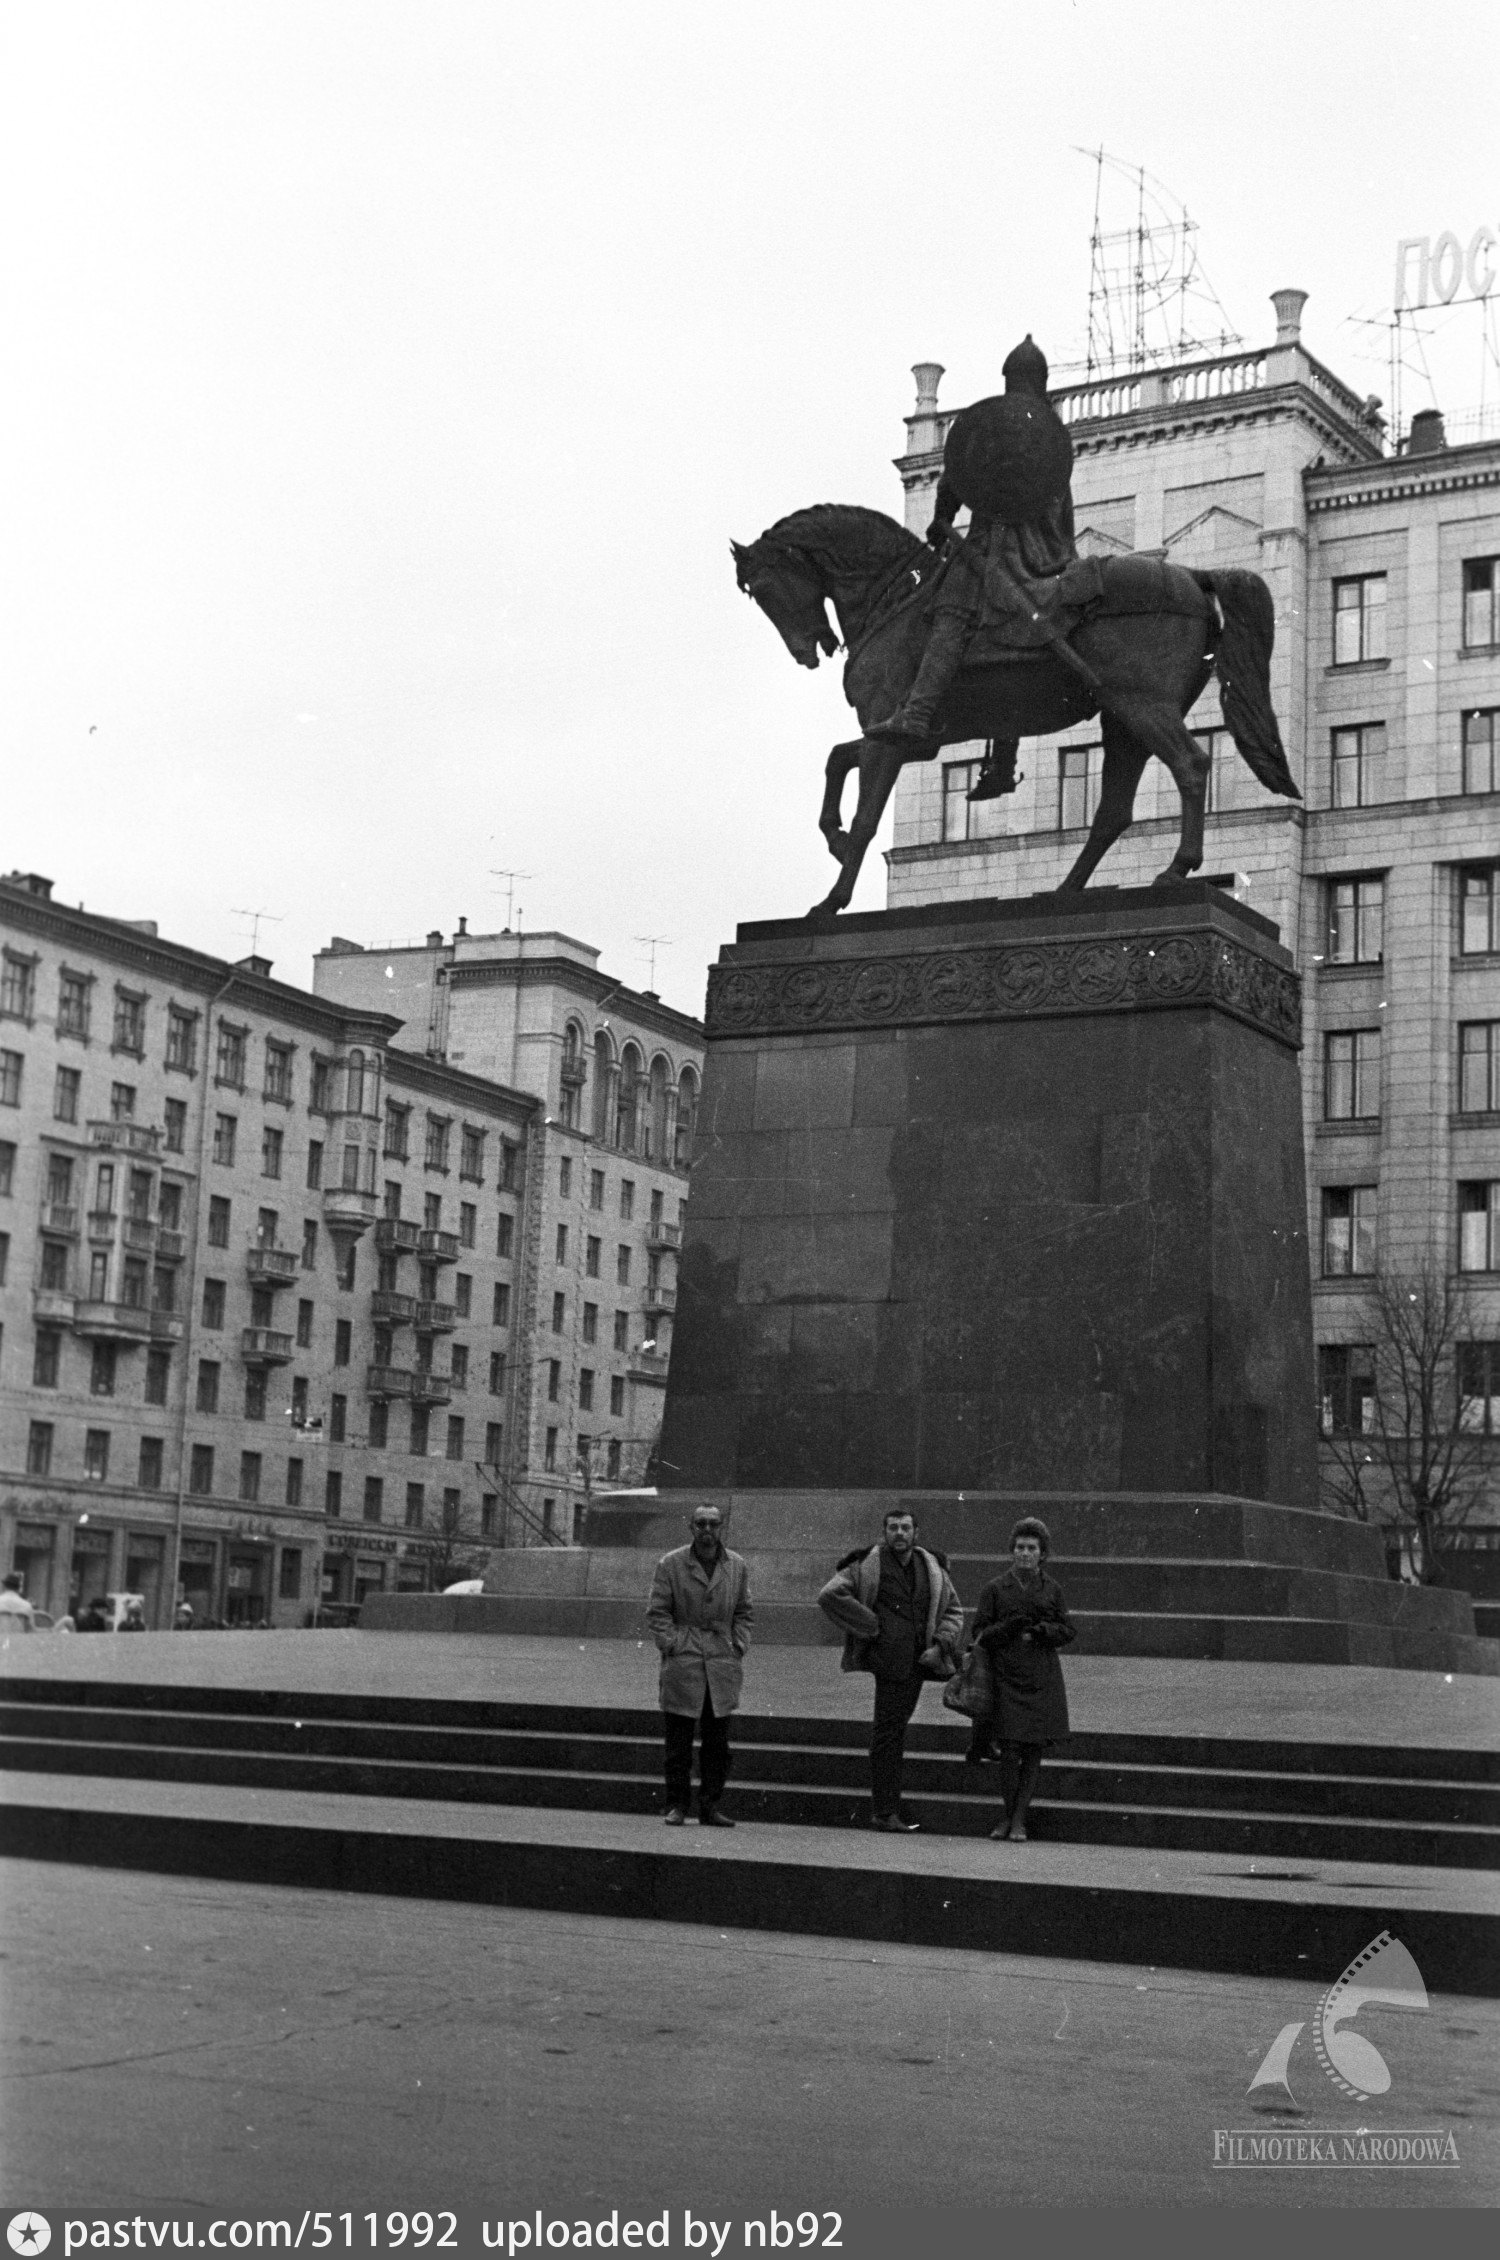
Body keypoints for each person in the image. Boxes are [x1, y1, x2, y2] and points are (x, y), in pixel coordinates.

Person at [870, 334, 1082, 793]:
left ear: (1008, 382)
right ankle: (1003, 761)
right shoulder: (1046, 433)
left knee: (951, 608)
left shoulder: (998, 430)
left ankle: (919, 711)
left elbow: (955, 481)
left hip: (1003, 550)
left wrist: (941, 521)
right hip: (1051, 554)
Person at [818, 1510, 964, 1832]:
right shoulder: (867, 1565)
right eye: (893, 1528)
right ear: (884, 1531)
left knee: (892, 1732)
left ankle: (887, 1810)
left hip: (918, 1662)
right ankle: (885, 1812)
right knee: (888, 1734)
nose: (900, 1533)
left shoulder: (932, 1567)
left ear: (916, 1532)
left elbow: (953, 1609)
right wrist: (868, 1625)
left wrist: (941, 1644)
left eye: (906, 1528)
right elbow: (830, 1594)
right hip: (889, 1662)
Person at [646, 1504, 753, 1827]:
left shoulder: (736, 1565)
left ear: (722, 1527)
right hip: (685, 1661)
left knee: (717, 1744)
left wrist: (738, 1644)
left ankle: (710, 1805)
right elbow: (658, 1611)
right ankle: (676, 1804)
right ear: (691, 1527)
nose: (707, 1530)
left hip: (721, 1662)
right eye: (701, 1524)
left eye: (713, 1524)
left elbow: (745, 1611)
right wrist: (674, 1644)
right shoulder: (671, 1563)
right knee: (678, 1743)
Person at [971, 1517, 1076, 1843]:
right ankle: (1006, 1814)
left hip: (1040, 1677)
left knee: (1032, 1750)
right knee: (1009, 1749)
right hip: (1005, 1677)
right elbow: (979, 1634)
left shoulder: (1052, 1589)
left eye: (1032, 1548)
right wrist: (1008, 1628)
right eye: (1020, 1548)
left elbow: (1067, 1630)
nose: (1025, 1554)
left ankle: (1018, 1819)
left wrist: (1044, 1630)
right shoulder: (994, 1588)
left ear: (1043, 1553)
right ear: (1012, 1551)